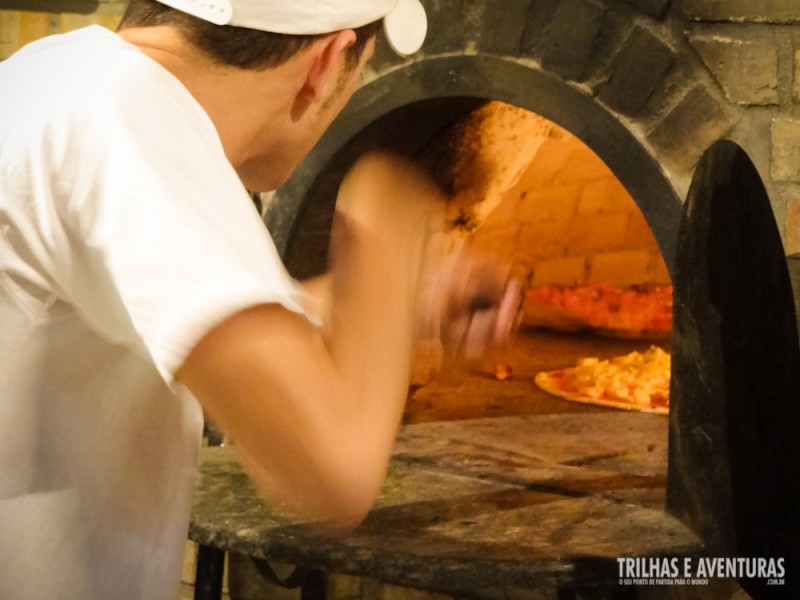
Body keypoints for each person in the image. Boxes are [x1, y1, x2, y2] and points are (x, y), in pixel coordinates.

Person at [0, 1, 518, 598]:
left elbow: (203, 322)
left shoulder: (58, 80)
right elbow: (334, 472)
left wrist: (399, 302)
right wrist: (385, 218)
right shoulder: (129, 123)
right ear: (326, 63)